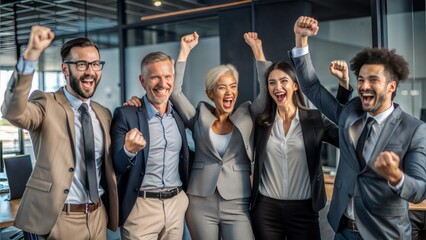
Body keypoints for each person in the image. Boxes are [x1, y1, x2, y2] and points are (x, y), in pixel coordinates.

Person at [290, 16, 426, 239]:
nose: (363, 86)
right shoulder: (350, 113)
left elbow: (419, 190)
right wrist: (300, 39)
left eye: (373, 80)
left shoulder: (415, 129)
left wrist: (396, 176)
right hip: (342, 231)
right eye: (361, 79)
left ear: (391, 86)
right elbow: (312, 87)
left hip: (384, 234)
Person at [1, 25, 118, 239]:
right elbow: (12, 111)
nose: (90, 71)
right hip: (58, 219)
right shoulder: (46, 103)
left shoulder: (104, 113)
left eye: (95, 64)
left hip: (97, 216)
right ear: (65, 69)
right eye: (82, 64)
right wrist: (31, 55)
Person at [244, 32, 352, 240]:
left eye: (284, 81)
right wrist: (257, 49)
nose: (277, 87)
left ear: (295, 86)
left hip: (304, 210)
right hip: (266, 210)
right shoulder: (261, 121)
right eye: (272, 83)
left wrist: (344, 88)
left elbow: (345, 135)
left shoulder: (314, 119)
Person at [166, 32, 269, 240]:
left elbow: (266, 91)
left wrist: (257, 50)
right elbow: (175, 93)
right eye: (222, 87)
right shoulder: (198, 117)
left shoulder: (248, 114)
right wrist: (184, 52)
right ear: (210, 93)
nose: (229, 92)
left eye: (233, 87)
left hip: (238, 202)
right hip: (200, 201)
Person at [110, 51, 191, 239]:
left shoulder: (179, 113)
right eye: (154, 77)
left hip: (176, 205)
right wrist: (128, 150)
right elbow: (116, 165)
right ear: (142, 80)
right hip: (141, 207)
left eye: (168, 76)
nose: (163, 84)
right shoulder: (126, 114)